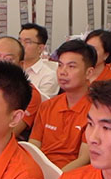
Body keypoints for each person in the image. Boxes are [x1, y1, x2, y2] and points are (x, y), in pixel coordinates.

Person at [29, 40, 95, 171]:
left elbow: (84, 159)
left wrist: (56, 177)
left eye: (71, 66)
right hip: (41, 172)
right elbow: (34, 145)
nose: (62, 72)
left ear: (88, 73)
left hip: (73, 175)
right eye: (60, 65)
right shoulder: (47, 106)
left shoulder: (96, 110)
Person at [19, 23, 59, 97]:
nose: (21, 46)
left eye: (27, 42)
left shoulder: (48, 76)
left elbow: (42, 103)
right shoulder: (11, 68)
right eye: (19, 41)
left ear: (40, 48)